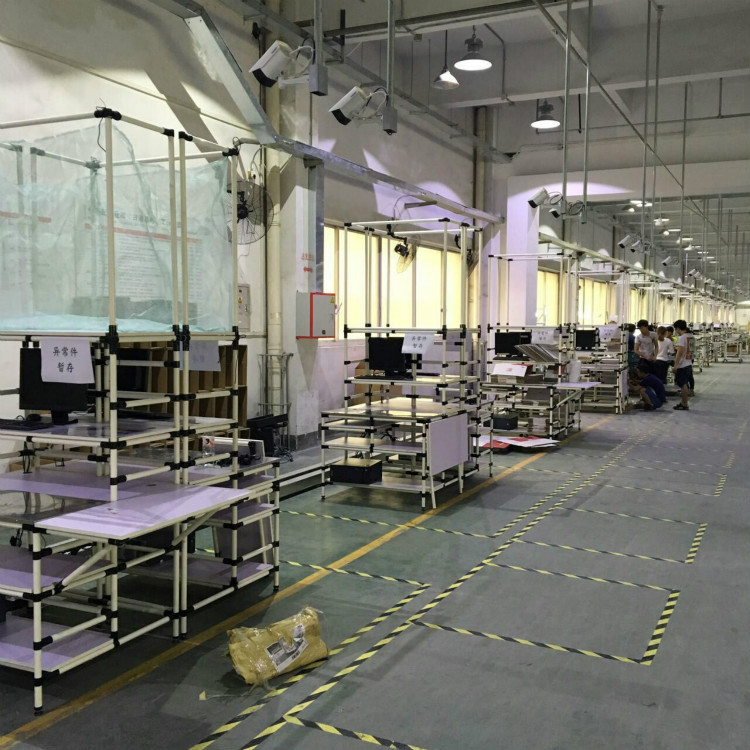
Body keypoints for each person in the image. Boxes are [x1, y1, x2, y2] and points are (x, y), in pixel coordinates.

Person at [672, 319, 693, 410]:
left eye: (676, 329)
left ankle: (684, 404)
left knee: (683, 385)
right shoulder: (690, 336)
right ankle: (683, 402)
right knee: (685, 384)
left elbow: (679, 353)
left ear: (678, 328)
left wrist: (675, 365)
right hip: (689, 363)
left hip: (682, 364)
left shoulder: (682, 338)